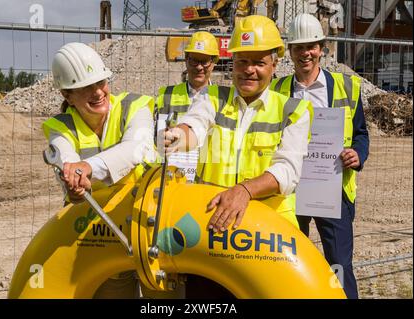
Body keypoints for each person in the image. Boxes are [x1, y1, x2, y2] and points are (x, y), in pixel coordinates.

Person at [161, 15, 313, 296]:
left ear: (275, 63)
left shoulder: (293, 110)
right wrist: (177, 136)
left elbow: (287, 172)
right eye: (242, 61)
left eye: (259, 62)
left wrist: (244, 190)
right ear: (233, 62)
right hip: (212, 231)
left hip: (266, 238)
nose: (249, 70)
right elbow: (195, 124)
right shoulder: (213, 98)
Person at [42, 42, 156, 298]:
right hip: (103, 232)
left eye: (100, 82)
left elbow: (136, 149)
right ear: (67, 96)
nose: (98, 92)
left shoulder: (134, 106)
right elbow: (67, 165)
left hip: (147, 222)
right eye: (85, 88)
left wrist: (87, 168)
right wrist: (74, 186)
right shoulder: (61, 127)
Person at [270, 13, 369, 299]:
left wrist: (357, 155)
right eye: (299, 47)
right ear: (290, 51)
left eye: (311, 46)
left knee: (338, 265)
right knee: (289, 264)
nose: (306, 53)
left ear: (322, 47)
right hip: (289, 191)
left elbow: (361, 134)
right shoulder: (277, 91)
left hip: (332, 190)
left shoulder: (346, 87)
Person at [156, 31, 221, 182]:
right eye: (194, 61)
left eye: (205, 61)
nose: (199, 67)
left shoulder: (221, 99)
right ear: (186, 60)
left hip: (205, 180)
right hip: (171, 178)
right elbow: (156, 139)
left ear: (214, 62)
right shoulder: (166, 95)